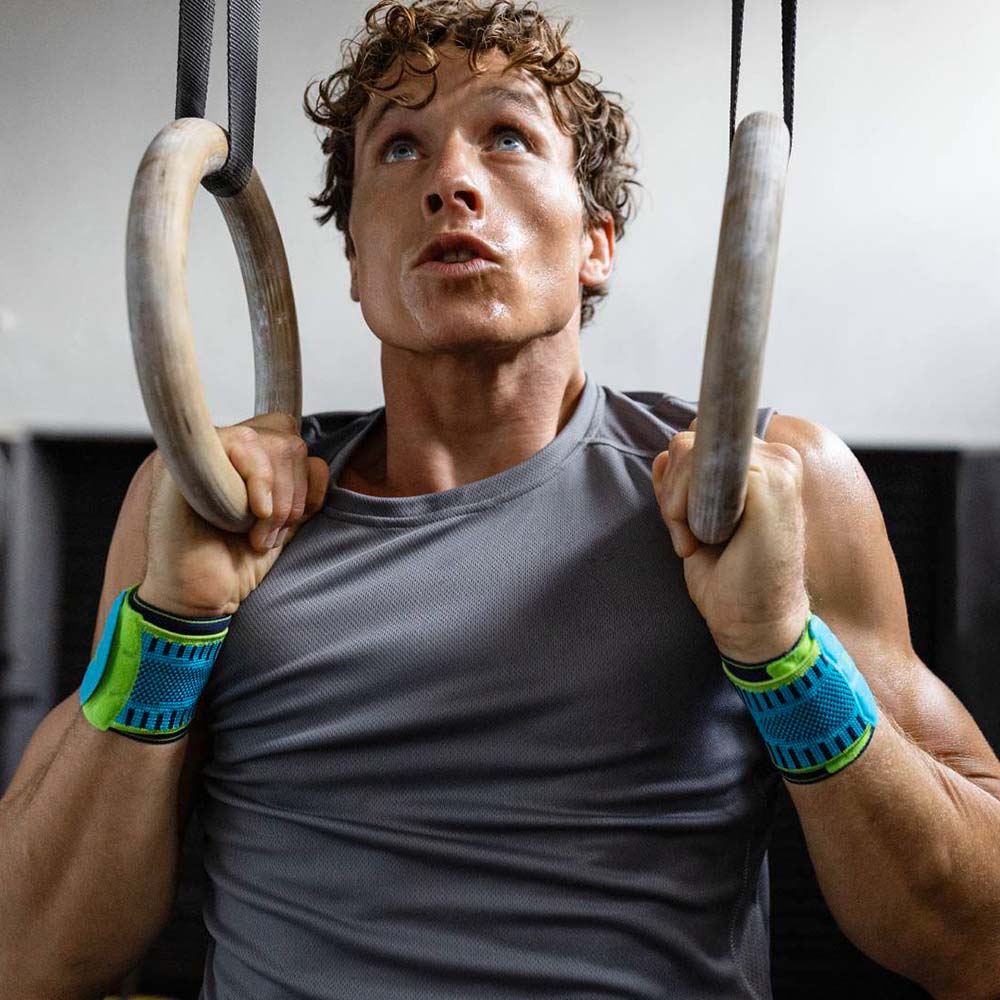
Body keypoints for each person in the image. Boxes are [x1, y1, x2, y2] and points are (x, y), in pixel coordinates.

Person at [3, 2, 1000, 997]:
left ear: (594, 241)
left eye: (508, 137)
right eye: (399, 149)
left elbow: (974, 937)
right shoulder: (209, 508)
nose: (451, 182)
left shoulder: (771, 485)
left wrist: (784, 656)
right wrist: (170, 628)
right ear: (352, 262)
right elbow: (28, 957)